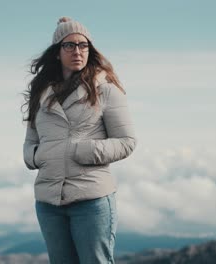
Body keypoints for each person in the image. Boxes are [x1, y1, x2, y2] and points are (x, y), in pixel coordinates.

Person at [22, 17, 136, 264]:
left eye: (83, 45)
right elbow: (30, 143)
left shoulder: (105, 90)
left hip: (92, 200)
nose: (78, 51)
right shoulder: (41, 93)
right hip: (48, 201)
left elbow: (127, 141)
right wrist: (37, 157)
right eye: (69, 45)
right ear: (57, 52)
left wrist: (83, 150)